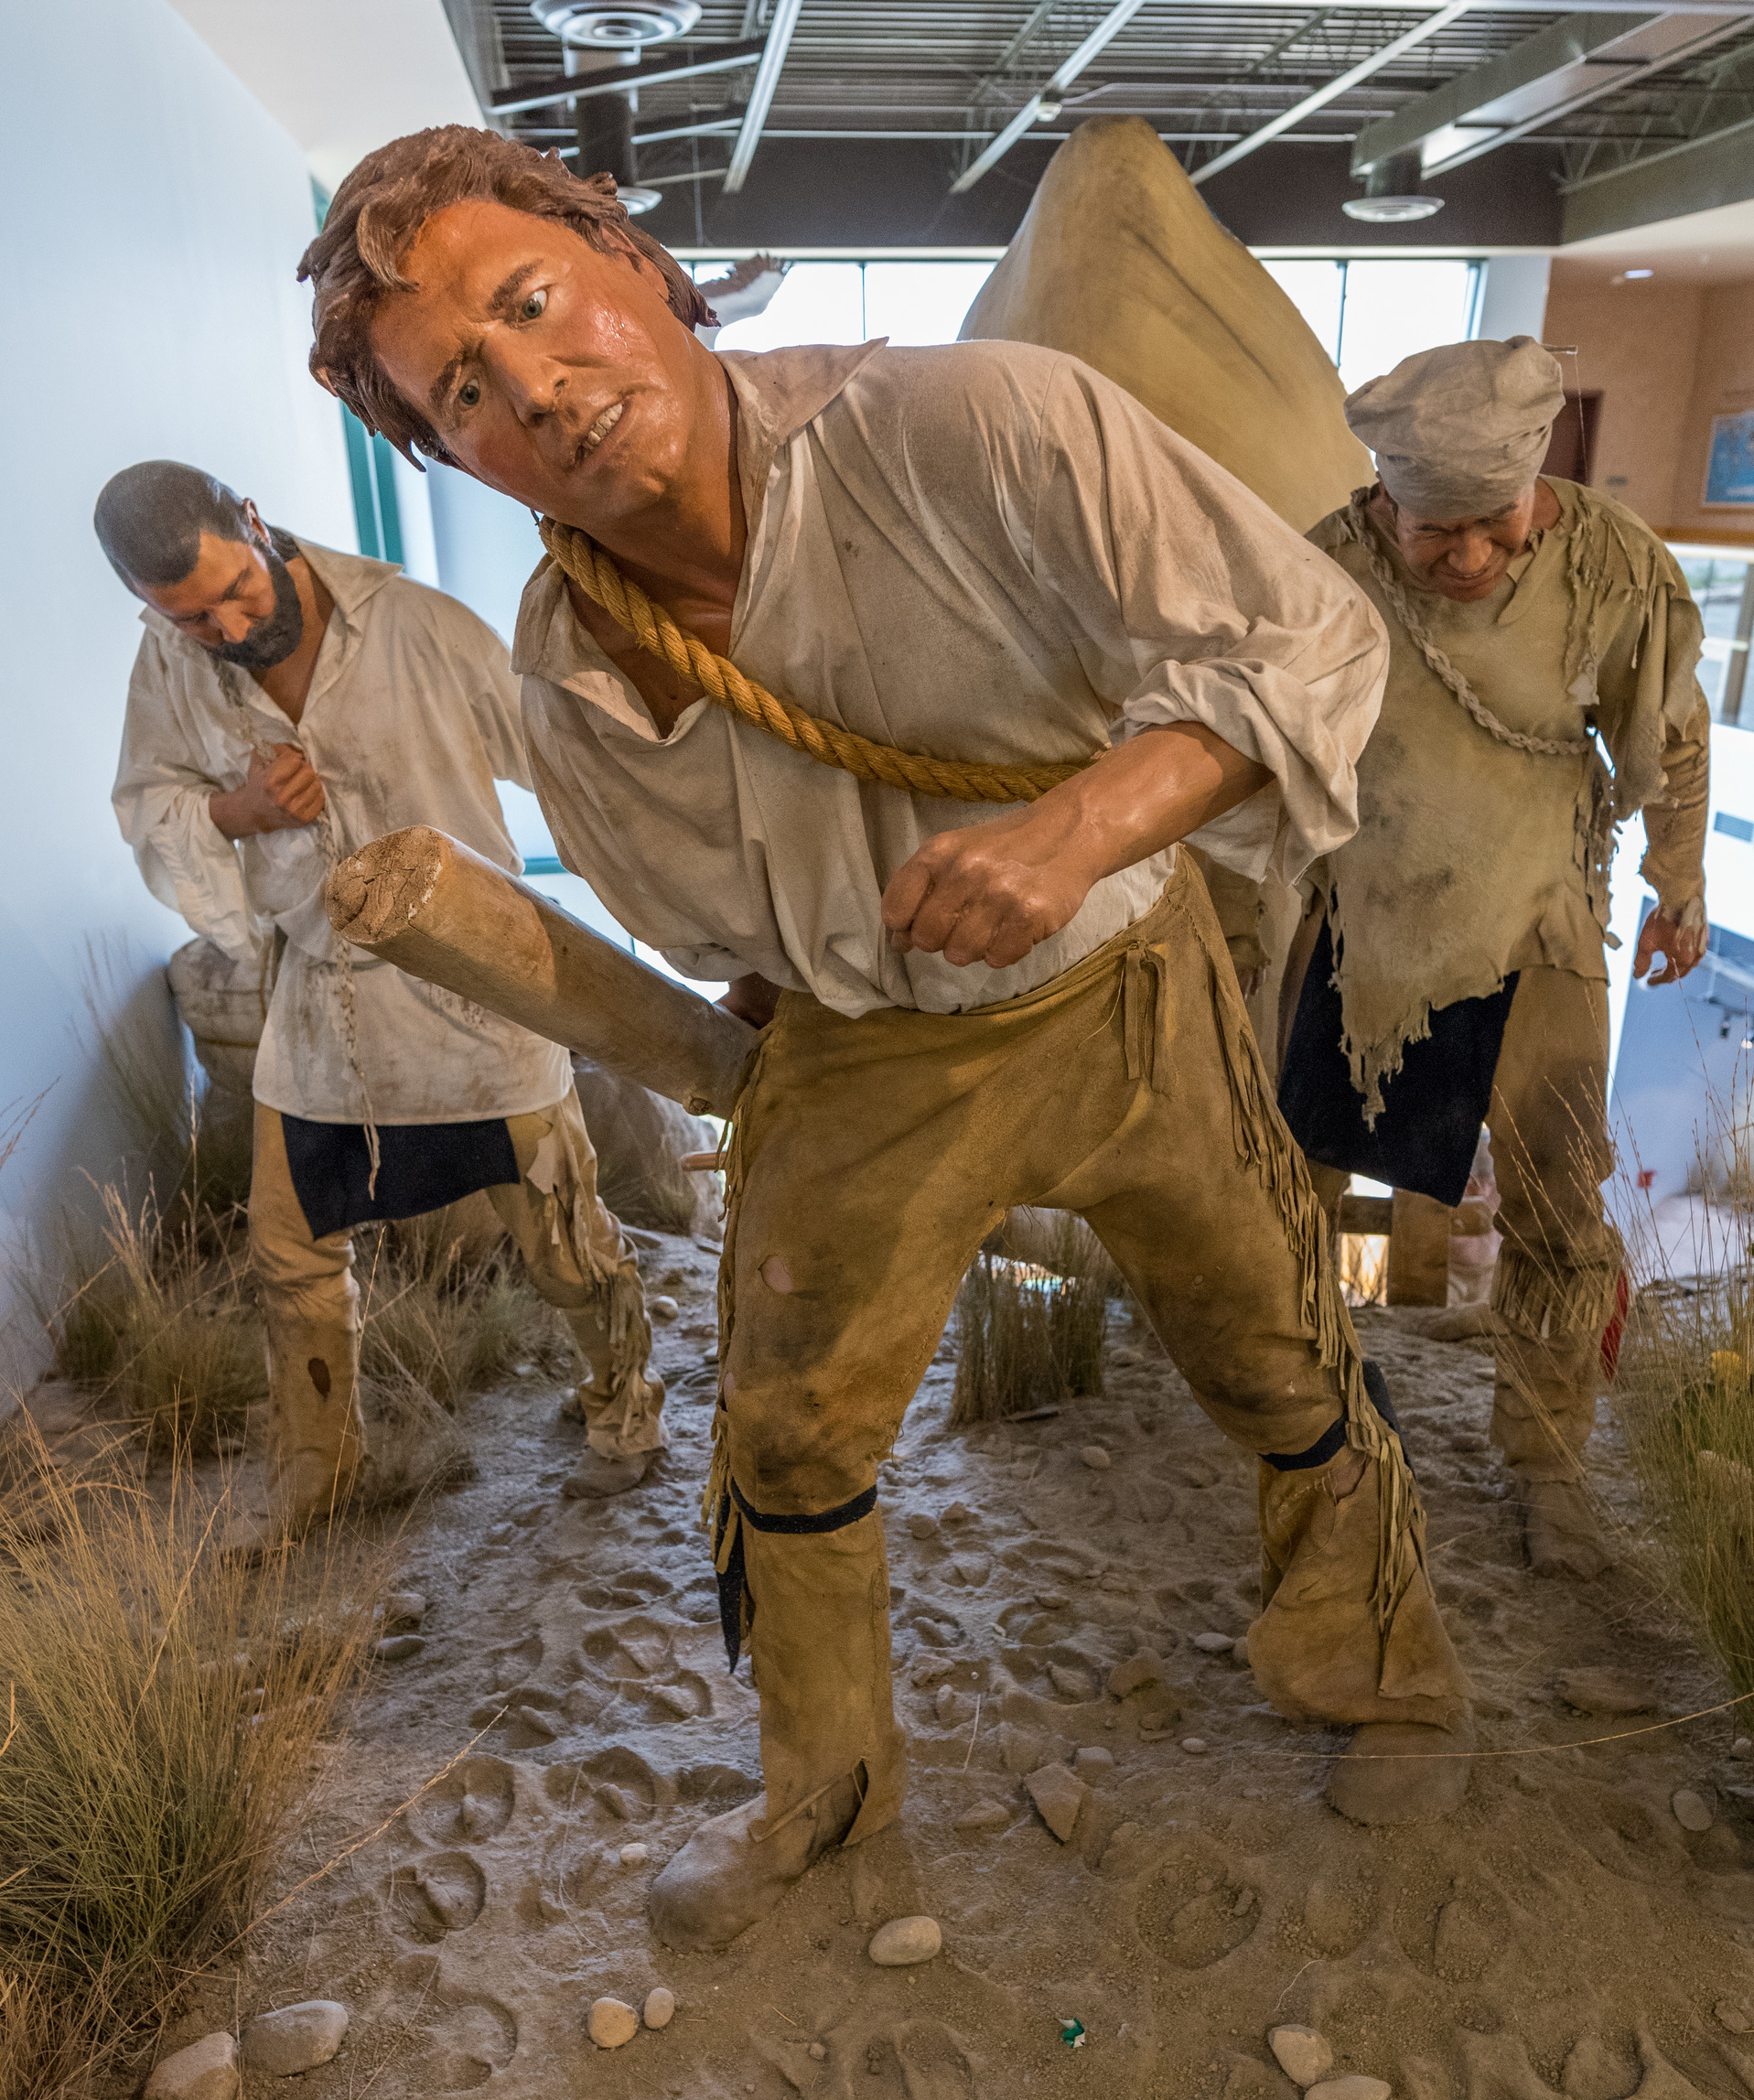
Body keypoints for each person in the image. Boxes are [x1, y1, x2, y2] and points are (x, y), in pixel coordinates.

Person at [296, 124, 1476, 1947]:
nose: (534, 385)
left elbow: (1303, 641)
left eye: (532, 305)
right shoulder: (573, 674)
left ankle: (1379, 1659)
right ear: (443, 449)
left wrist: (1075, 830)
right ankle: (824, 1796)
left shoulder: (978, 422)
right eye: (463, 388)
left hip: (1125, 983)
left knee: (1270, 1341)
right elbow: (709, 936)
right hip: (863, 1049)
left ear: (637, 266)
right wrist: (776, 1065)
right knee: (782, 1428)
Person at [102, 460, 666, 1535]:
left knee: (560, 1236)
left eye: (236, 594)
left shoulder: (415, 627)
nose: (223, 628)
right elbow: (150, 801)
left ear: (257, 525)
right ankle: (321, 1472)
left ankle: (625, 1410)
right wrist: (235, 809)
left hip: (477, 997)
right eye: (190, 618)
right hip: (320, 1004)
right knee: (290, 1246)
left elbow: (564, 756)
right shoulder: (168, 664)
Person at [1278, 339, 1708, 1580]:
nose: (1466, 556)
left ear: (1536, 489)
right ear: (1384, 503)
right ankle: (1317, 1434)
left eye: (1493, 526)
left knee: (1559, 1210)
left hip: (1541, 919)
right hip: (1363, 928)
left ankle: (1545, 1462)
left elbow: (1673, 736)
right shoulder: (1320, 567)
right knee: (1293, 1189)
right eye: (1433, 532)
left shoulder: (1611, 563)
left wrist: (1675, 887)